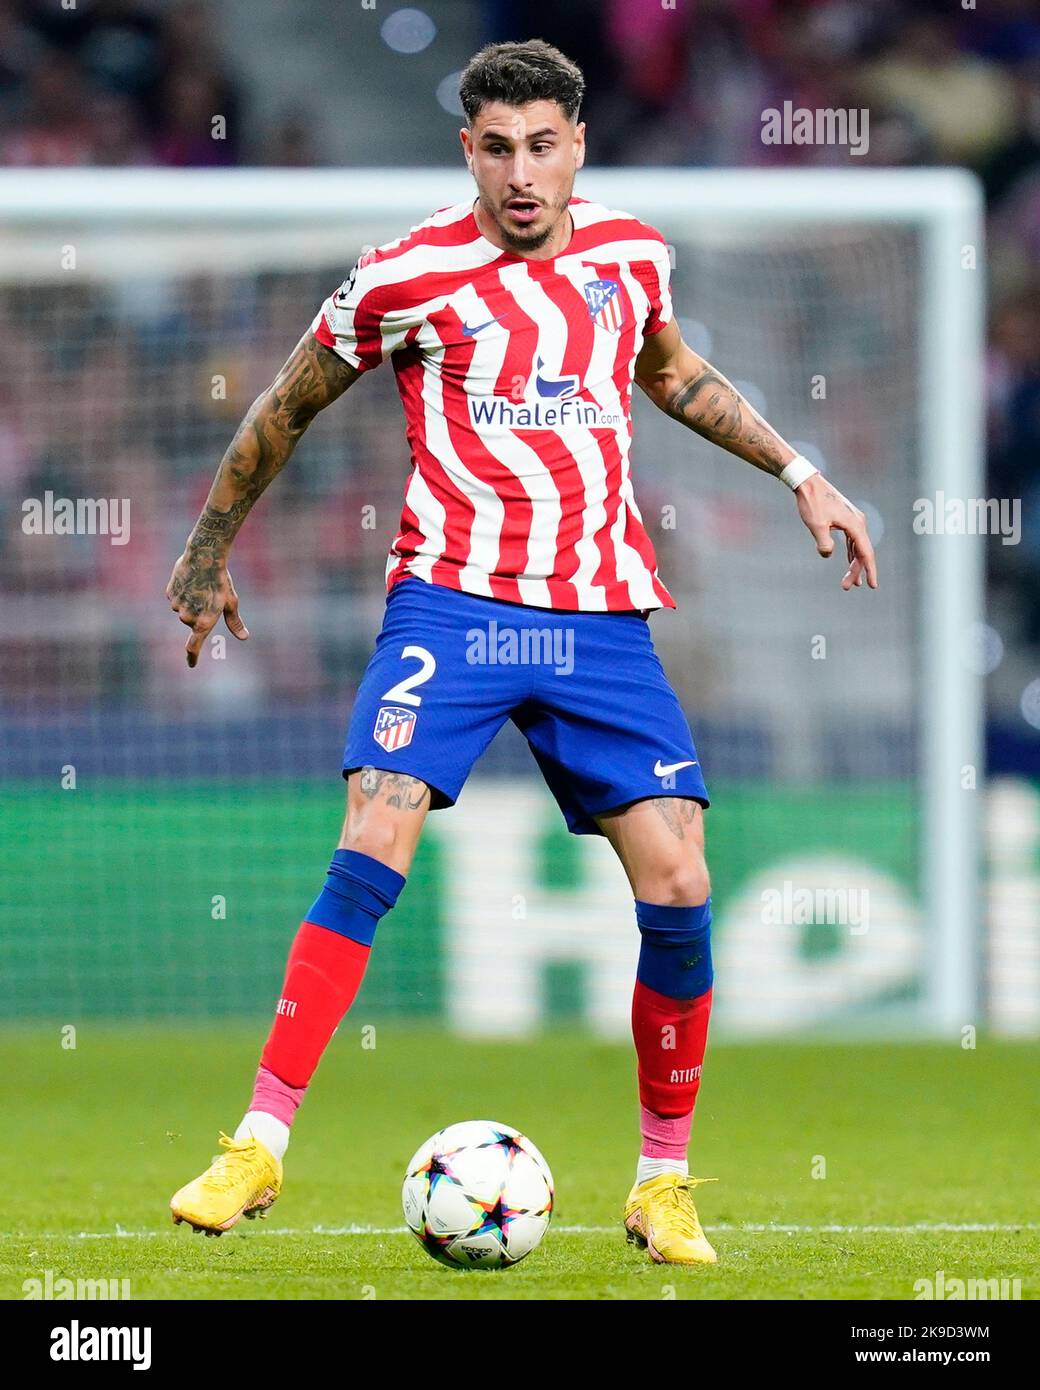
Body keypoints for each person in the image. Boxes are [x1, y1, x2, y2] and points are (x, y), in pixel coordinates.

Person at [166, 39, 877, 1266]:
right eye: (496, 148)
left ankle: (661, 1182)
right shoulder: (405, 275)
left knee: (679, 882)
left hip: (596, 612)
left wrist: (799, 471)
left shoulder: (629, 254)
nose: (520, 174)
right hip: (448, 602)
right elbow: (281, 405)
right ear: (468, 152)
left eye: (541, 144)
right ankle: (258, 1141)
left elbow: (670, 372)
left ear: (576, 146)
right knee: (374, 825)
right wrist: (208, 543)